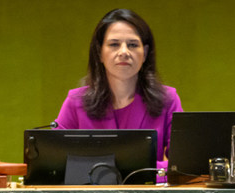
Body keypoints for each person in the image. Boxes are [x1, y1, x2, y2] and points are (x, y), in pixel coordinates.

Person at [54, 8, 182, 166]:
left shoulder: (168, 99)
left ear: (145, 53)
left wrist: (130, 170)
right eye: (114, 44)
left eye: (133, 45)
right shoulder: (75, 102)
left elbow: (182, 164)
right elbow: (56, 162)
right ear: (100, 53)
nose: (124, 52)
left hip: (148, 190)